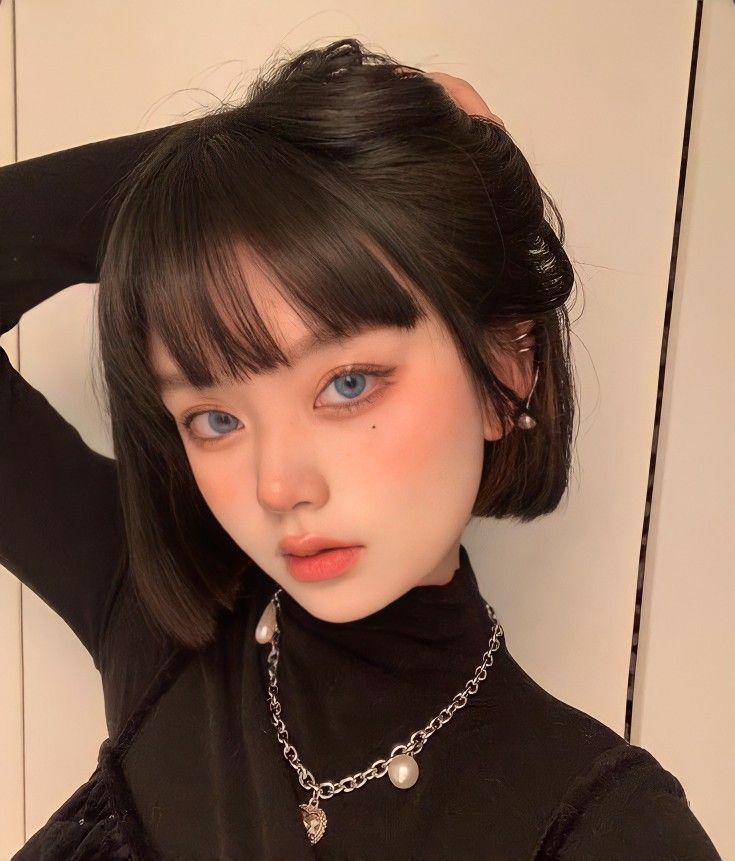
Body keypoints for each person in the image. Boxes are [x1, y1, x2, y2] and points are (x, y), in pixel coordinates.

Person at [0, 38, 721, 860]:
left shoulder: (610, 831)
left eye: (346, 384)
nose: (278, 486)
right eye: (216, 418)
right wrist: (249, 163)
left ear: (503, 369)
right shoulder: (157, 626)